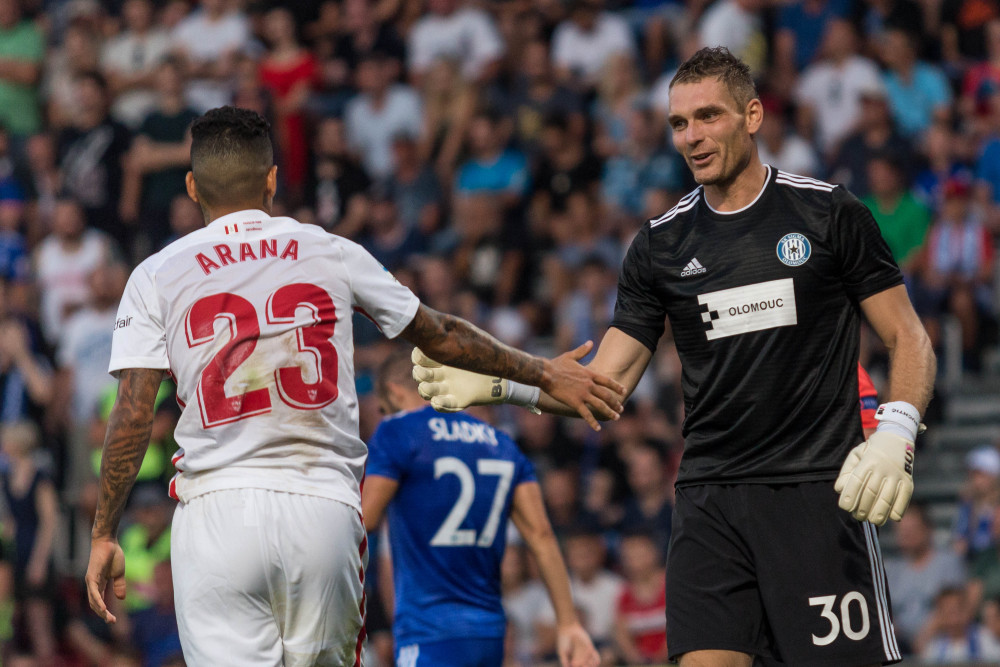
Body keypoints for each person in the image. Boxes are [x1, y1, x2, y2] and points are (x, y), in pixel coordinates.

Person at [414, 46, 937, 666]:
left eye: (708, 116)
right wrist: (503, 385)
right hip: (709, 502)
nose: (691, 137)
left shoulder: (828, 212)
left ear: (752, 116)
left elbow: (909, 337)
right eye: (679, 123)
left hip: (816, 493)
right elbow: (605, 385)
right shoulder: (659, 245)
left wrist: (897, 432)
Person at [84, 106, 622, 665]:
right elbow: (440, 335)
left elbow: (134, 413)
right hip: (321, 508)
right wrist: (543, 372)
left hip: (217, 514)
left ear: (192, 186)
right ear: (272, 180)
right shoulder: (330, 250)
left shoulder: (156, 273)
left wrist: (104, 532)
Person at [361, 351, 599, 667]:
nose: (384, 415)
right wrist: (568, 624)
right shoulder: (502, 444)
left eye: (382, 407)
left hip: (429, 632)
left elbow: (364, 519)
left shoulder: (398, 430)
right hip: (489, 634)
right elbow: (541, 536)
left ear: (394, 391)